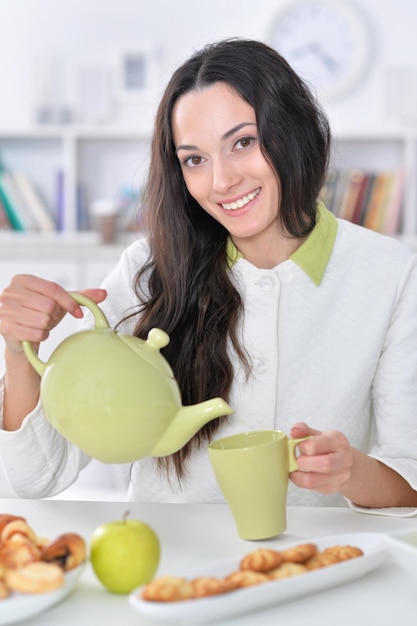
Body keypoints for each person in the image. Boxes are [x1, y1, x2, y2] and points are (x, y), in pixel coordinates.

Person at [0, 38, 417, 512]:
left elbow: (410, 479)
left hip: (315, 568)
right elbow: (37, 476)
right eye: (194, 159)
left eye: (243, 142)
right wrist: (17, 351)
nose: (222, 181)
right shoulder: (146, 270)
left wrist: (351, 471)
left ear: (294, 132)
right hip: (168, 567)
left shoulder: (389, 274)